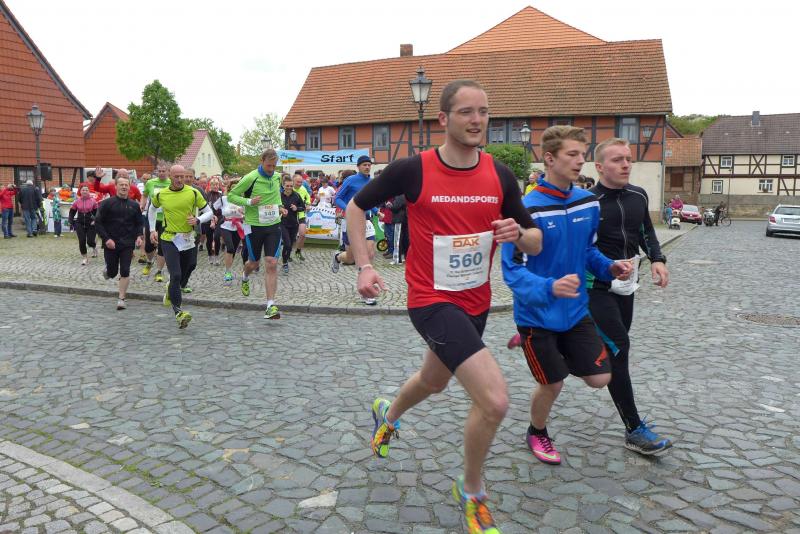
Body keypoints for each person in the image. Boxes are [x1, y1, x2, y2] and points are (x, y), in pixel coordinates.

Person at [347, 79, 543, 534]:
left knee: (434, 381)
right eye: (466, 112)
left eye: (484, 111)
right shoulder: (412, 170)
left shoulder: (499, 174)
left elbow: (535, 239)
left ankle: (387, 415)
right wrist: (364, 266)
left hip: (476, 302)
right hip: (431, 300)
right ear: (443, 119)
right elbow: (356, 209)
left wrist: (518, 234)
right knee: (494, 401)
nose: (477, 120)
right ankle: (471, 491)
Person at [502, 126, 631, 465]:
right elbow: (512, 271)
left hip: (574, 311)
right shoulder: (525, 210)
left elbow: (588, 251)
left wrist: (609, 267)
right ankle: (537, 431)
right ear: (549, 158)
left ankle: (548, 352)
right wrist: (548, 288)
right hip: (537, 314)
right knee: (553, 383)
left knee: (600, 378)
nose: (580, 161)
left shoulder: (587, 202)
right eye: (572, 154)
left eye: (582, 154)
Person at [588, 137, 673, 455]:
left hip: (627, 285)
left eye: (628, 159)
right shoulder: (588, 201)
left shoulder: (639, 195)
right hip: (595, 287)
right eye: (617, 160)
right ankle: (634, 429)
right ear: (599, 167)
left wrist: (657, 259)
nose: (626, 164)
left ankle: (561, 352)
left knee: (612, 350)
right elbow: (579, 246)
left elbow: (645, 231)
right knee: (619, 348)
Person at [148, 164, 212, 329]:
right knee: (175, 275)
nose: (179, 179)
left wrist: (198, 220)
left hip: (188, 237)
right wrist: (152, 229)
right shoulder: (161, 194)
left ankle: (172, 289)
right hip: (169, 238)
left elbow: (209, 212)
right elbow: (152, 210)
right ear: (170, 176)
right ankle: (178, 312)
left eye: (182, 176)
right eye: (176, 176)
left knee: (191, 265)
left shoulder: (193, 192)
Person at [227, 149, 284, 320]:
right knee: (253, 262)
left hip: (273, 225)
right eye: (268, 165)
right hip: (254, 226)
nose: (271, 169)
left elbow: (276, 196)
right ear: (261, 161)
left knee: (272, 263)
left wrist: (280, 207)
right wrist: (249, 201)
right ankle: (245, 276)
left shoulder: (277, 177)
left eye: (274, 166)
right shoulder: (251, 177)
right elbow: (231, 196)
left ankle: (270, 306)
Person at [331, 156, 380, 304]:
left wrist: (377, 211)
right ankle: (338, 257)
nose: (367, 167)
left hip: (367, 221)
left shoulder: (371, 182)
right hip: (352, 221)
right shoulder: (350, 180)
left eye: (369, 165)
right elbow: (337, 198)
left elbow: (368, 201)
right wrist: (350, 210)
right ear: (358, 167)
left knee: (369, 254)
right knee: (352, 258)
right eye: (364, 165)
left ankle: (366, 291)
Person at [94, 171, 144, 310]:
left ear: (129, 187)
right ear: (115, 186)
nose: (124, 187)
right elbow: (98, 223)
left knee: (125, 270)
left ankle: (121, 298)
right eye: (121, 184)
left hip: (127, 243)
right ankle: (109, 271)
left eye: (126, 185)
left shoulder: (134, 205)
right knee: (112, 272)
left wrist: (139, 236)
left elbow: (139, 223)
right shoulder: (106, 204)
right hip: (111, 243)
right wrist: (106, 239)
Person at [217, 176, 249, 285]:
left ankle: (229, 269)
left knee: (234, 250)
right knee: (230, 248)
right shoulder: (224, 199)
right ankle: (227, 272)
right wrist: (214, 217)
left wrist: (243, 213)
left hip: (238, 226)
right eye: (233, 188)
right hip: (226, 226)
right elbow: (214, 208)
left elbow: (247, 214)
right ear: (230, 189)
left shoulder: (242, 201)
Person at [141, 165, 171, 281]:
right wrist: (142, 204)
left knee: (162, 246)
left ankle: (159, 271)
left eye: (164, 171)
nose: (161, 173)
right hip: (151, 217)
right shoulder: (150, 183)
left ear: (168, 172)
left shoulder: (171, 183)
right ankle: (149, 262)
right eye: (160, 171)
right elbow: (144, 195)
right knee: (149, 245)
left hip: (165, 219)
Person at [280, 176, 305, 274]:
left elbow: (303, 207)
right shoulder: (279, 196)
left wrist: (296, 208)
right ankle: (285, 263)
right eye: (287, 186)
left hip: (294, 224)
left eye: (291, 186)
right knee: (287, 244)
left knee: (290, 245)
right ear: (283, 185)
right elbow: (274, 206)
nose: (289, 187)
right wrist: (280, 209)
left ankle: (285, 258)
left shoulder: (296, 195)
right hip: (282, 223)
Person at [68, 184, 98, 265]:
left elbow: (97, 213)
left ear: (89, 191)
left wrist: (95, 220)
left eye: (86, 190)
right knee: (82, 241)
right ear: (80, 192)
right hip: (80, 223)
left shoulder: (93, 201)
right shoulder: (77, 201)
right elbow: (72, 212)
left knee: (90, 241)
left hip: (91, 223)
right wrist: (70, 220)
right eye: (83, 190)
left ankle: (94, 246)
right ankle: (85, 258)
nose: (85, 191)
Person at [204, 176, 224, 265]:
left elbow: (224, 208)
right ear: (210, 185)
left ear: (219, 185)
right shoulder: (207, 195)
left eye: (217, 184)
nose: (215, 186)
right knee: (209, 238)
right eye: (213, 184)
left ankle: (217, 255)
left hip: (219, 219)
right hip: (208, 219)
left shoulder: (221, 196)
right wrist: (211, 216)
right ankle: (210, 255)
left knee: (216, 237)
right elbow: (204, 207)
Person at [292, 172, 311, 261]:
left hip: (301, 214)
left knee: (302, 234)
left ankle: (298, 251)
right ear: (293, 181)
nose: (299, 184)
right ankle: (287, 253)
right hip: (290, 215)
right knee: (291, 236)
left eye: (301, 182)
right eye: (298, 182)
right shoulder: (289, 188)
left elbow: (308, 197)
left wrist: (308, 204)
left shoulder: (303, 188)